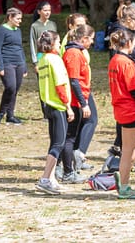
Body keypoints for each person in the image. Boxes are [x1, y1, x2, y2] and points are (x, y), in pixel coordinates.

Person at [108, 28, 135, 199]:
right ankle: (124, 186)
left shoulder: (114, 60)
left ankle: (121, 175)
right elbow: (133, 89)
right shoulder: (126, 63)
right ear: (129, 43)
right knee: (127, 150)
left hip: (120, 108)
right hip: (128, 109)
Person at [35, 30, 73, 195]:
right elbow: (59, 85)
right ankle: (44, 179)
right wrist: (68, 106)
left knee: (54, 142)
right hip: (57, 106)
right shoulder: (54, 60)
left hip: (47, 105)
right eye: (58, 42)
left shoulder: (42, 59)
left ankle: (51, 178)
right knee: (59, 143)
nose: (60, 45)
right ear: (51, 44)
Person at [60, 23, 94, 184]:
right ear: (84, 38)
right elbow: (74, 80)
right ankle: (67, 172)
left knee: (71, 136)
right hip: (73, 101)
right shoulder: (73, 53)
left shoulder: (77, 52)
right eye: (91, 39)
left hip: (77, 99)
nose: (92, 43)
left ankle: (68, 169)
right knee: (70, 137)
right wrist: (83, 102)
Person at [0, 7, 27, 126]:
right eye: (18, 18)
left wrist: (25, 65)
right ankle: (1, 113)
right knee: (10, 87)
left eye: (20, 19)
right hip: (8, 63)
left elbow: (20, 47)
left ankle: (10, 115)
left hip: (19, 63)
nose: (20, 21)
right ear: (10, 18)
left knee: (15, 90)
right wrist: (0, 66)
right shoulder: (1, 30)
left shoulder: (18, 30)